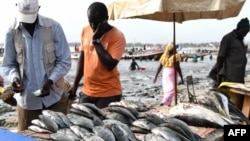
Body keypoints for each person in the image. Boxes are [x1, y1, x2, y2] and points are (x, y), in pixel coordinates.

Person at [1, 0, 71, 131]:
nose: (27, 23)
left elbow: (65, 61)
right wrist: (15, 78)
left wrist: (50, 81)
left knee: (60, 135)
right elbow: (8, 65)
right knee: (27, 138)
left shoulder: (54, 27)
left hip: (55, 100)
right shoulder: (11, 32)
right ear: (17, 9)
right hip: (27, 104)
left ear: (38, 8)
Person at [68, 2, 126, 109]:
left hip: (108, 94)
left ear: (106, 19)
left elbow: (110, 65)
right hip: (87, 92)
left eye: (97, 23)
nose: (93, 26)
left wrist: (96, 41)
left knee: (103, 124)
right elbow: (83, 58)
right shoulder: (85, 30)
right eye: (90, 22)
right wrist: (75, 85)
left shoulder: (118, 36)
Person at [216, 17, 250, 87]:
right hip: (229, 78)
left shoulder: (241, 40)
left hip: (239, 78)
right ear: (239, 28)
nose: (245, 34)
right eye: (245, 31)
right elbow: (220, 57)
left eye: (247, 32)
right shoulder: (228, 38)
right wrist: (218, 74)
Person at [153, 42, 184, 106]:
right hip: (172, 72)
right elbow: (178, 67)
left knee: (167, 88)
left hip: (165, 72)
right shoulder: (176, 56)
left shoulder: (164, 56)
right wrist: (181, 77)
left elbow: (160, 67)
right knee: (172, 89)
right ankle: (164, 102)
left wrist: (156, 76)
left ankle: (168, 103)